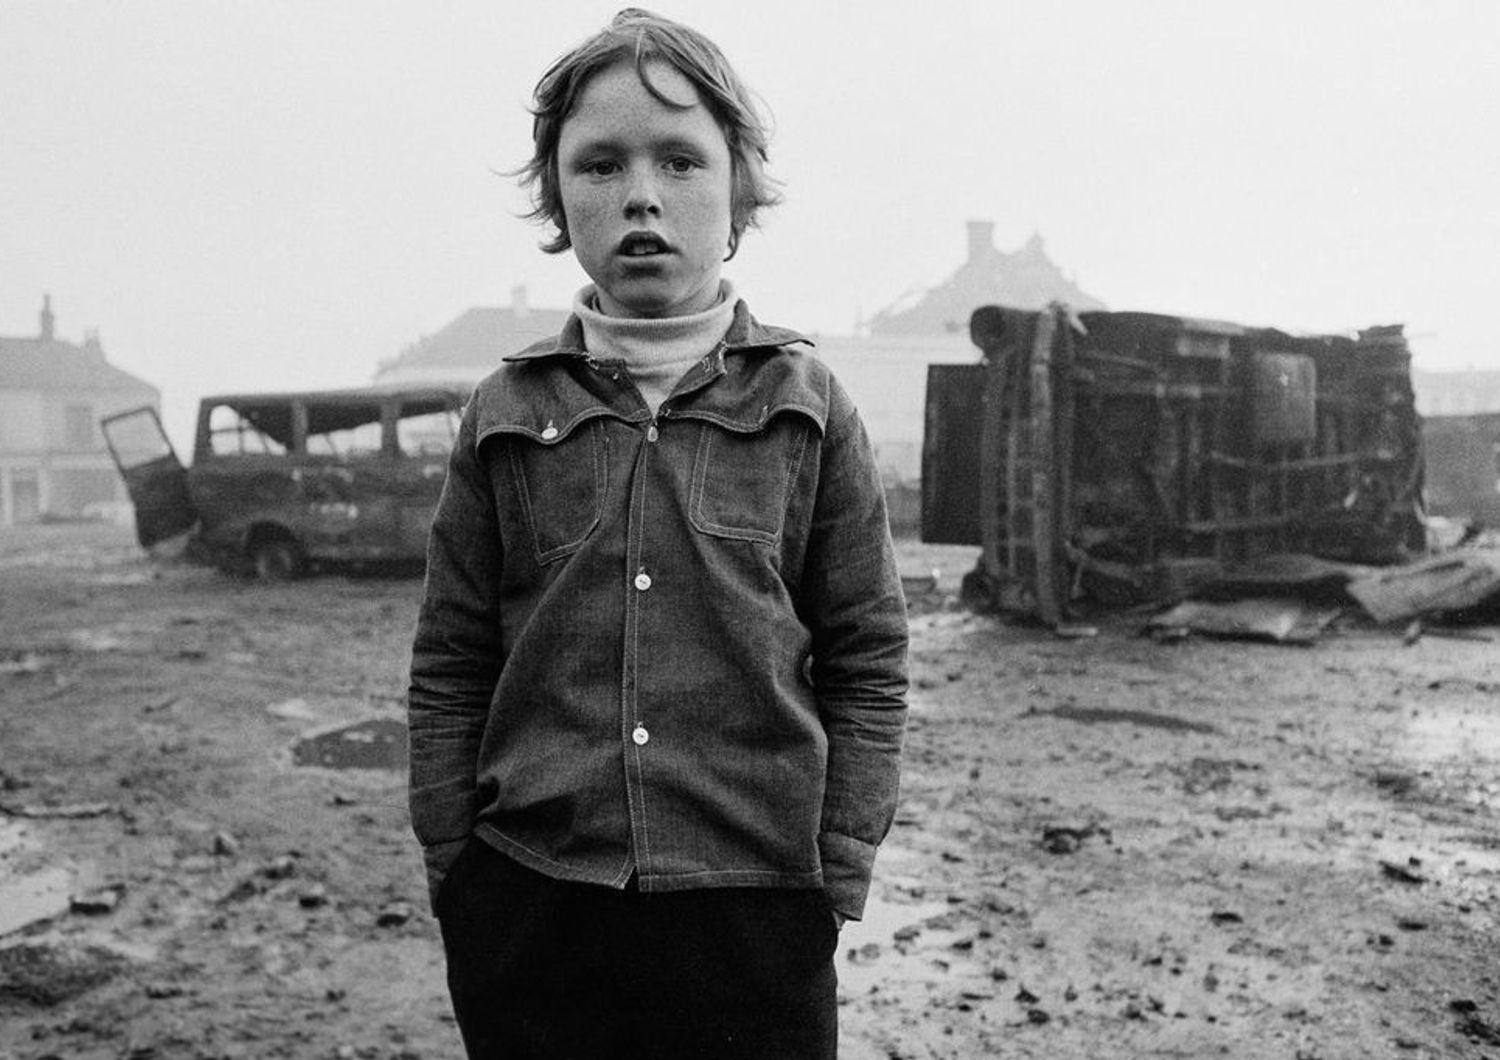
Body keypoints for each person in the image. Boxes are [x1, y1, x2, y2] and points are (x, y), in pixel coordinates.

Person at [406, 9, 909, 1057]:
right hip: (533, 907)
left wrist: (838, 862)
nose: (640, 194)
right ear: (558, 201)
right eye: (599, 165)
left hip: (754, 910)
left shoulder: (809, 405)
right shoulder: (503, 411)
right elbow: (453, 660)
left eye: (680, 159)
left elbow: (868, 658)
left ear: (739, 191)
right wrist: (458, 861)